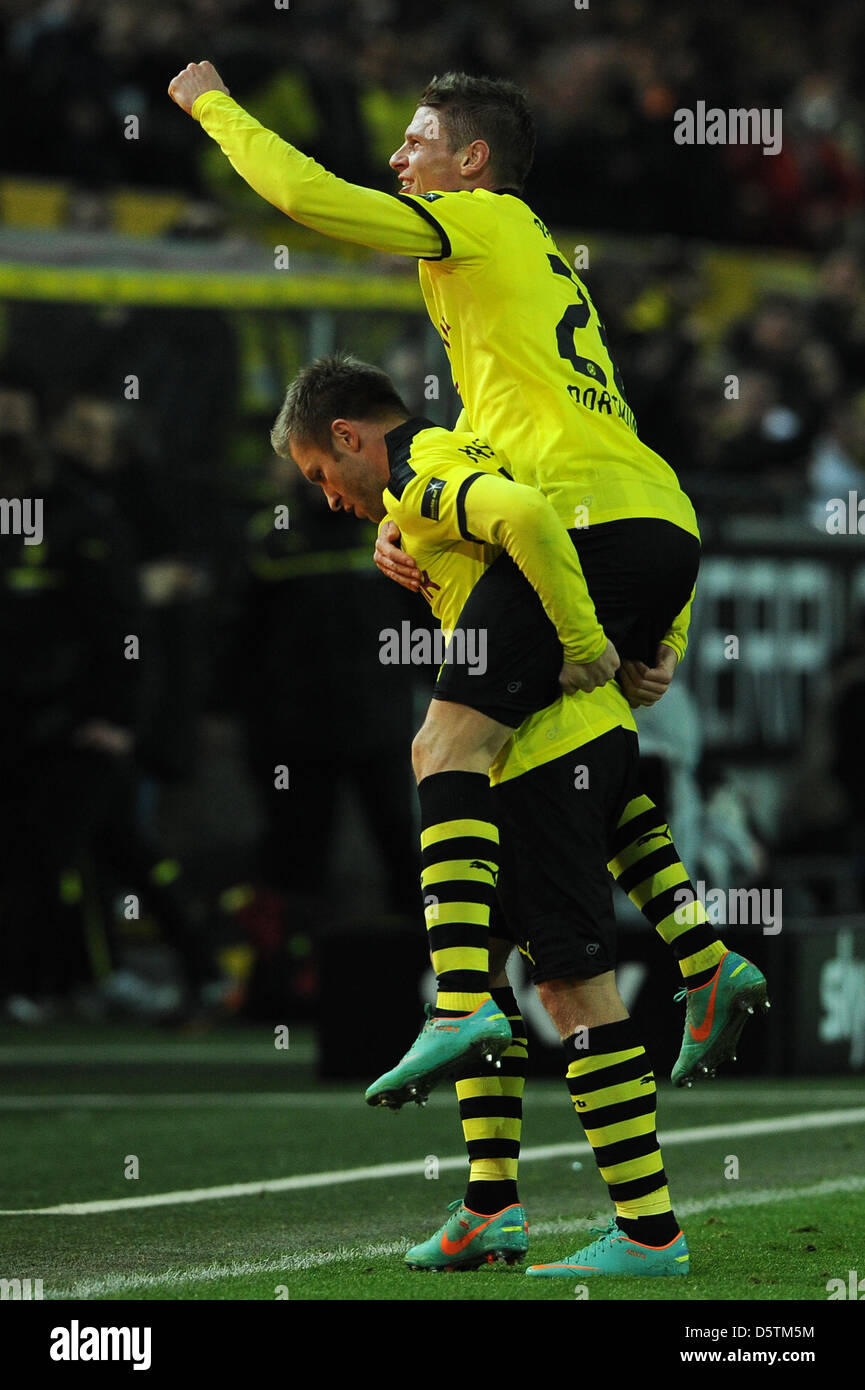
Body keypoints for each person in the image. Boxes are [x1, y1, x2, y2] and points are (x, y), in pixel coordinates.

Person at [166, 63, 756, 1091]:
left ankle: (461, 999)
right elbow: (524, 443)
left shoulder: (479, 220)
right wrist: (660, 629)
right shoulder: (524, 286)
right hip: (652, 522)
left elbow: (308, 199)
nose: (397, 158)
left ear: (471, 162)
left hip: (584, 525)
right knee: (564, 768)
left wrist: (211, 105)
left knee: (448, 745)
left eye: (415, 140)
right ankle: (700, 964)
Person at [269, 354, 769, 1276]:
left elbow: (529, 522)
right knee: (504, 968)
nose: (327, 497)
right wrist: (654, 644)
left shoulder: (432, 470)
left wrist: (589, 644)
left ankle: (650, 1231)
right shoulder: (501, 445)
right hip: (586, 725)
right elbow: (617, 518)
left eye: (318, 475)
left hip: (538, 743)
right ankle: (491, 1205)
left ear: (347, 436)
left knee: (568, 985)